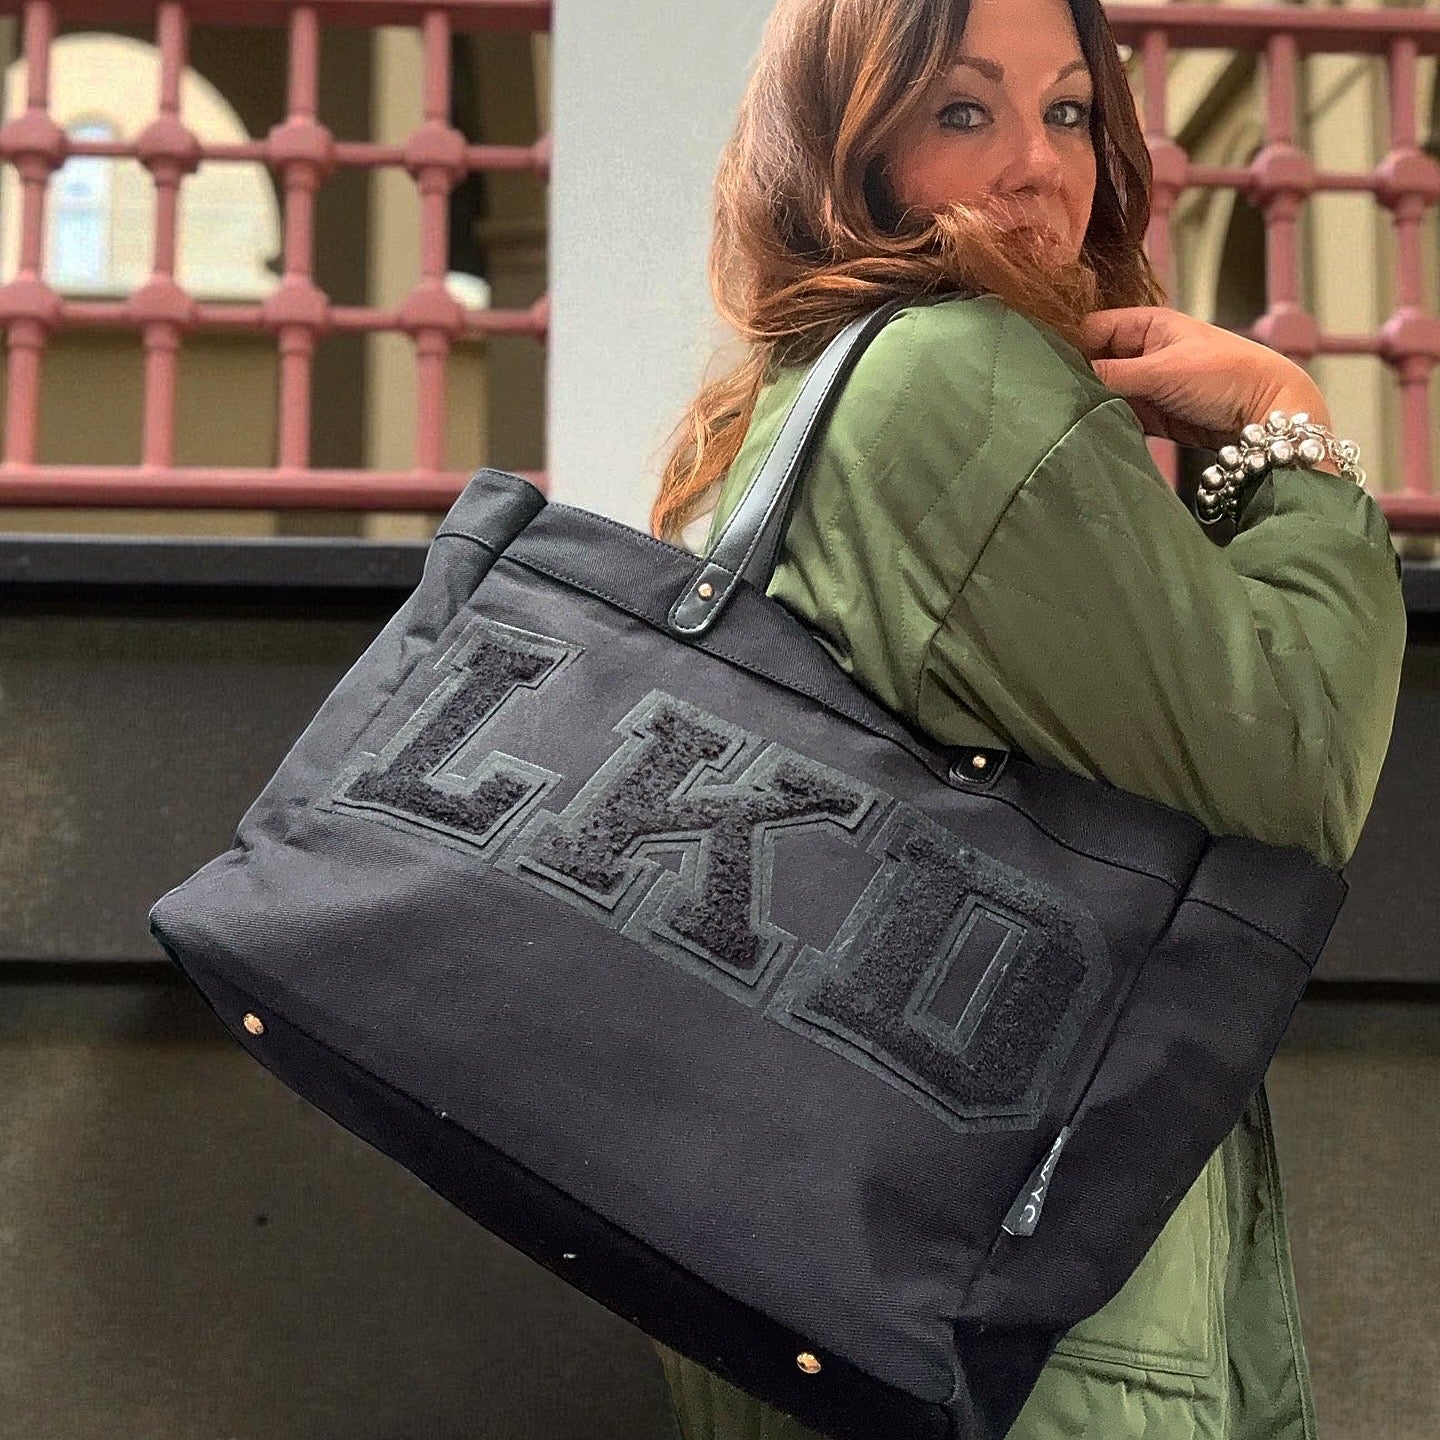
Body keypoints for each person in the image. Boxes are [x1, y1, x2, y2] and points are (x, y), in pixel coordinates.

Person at [646, 0, 1407, 1437]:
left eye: (1067, 112)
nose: (1038, 166)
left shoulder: (801, 400)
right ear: (845, 154)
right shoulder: (951, 373)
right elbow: (1297, 767)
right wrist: (1285, 430)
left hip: (860, 1279)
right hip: (1026, 1333)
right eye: (962, 112)